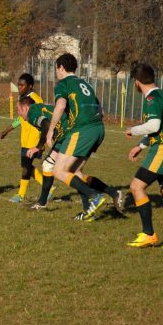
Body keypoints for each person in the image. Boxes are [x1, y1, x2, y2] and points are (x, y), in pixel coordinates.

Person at [17, 96, 122, 212]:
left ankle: (94, 197)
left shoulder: (32, 112)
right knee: (56, 167)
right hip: (69, 134)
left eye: (18, 109)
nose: (18, 113)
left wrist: (39, 146)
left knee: (70, 171)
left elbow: (46, 124)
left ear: (25, 108)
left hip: (70, 134)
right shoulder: (39, 109)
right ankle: (109, 194)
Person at [45, 53, 111, 221]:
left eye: (56, 69)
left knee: (58, 170)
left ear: (61, 68)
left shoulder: (64, 83)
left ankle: (93, 196)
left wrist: (51, 130)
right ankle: (89, 210)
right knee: (74, 171)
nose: (56, 73)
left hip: (83, 130)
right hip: (98, 129)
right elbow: (100, 109)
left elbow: (60, 105)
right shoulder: (86, 84)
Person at [125, 63, 163, 249]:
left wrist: (134, 130)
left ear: (137, 82)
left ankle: (149, 234)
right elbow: (161, 126)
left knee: (136, 186)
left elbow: (154, 126)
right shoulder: (162, 94)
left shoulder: (152, 99)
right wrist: (141, 145)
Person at [0, 73, 44, 203]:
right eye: (18, 84)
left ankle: (21, 195)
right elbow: (21, 119)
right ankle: (49, 187)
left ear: (30, 86)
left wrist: (42, 141)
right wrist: (7, 130)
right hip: (25, 139)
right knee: (26, 166)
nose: (19, 87)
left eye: (22, 85)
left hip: (34, 139)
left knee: (26, 167)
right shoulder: (24, 98)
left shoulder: (35, 99)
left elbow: (43, 118)